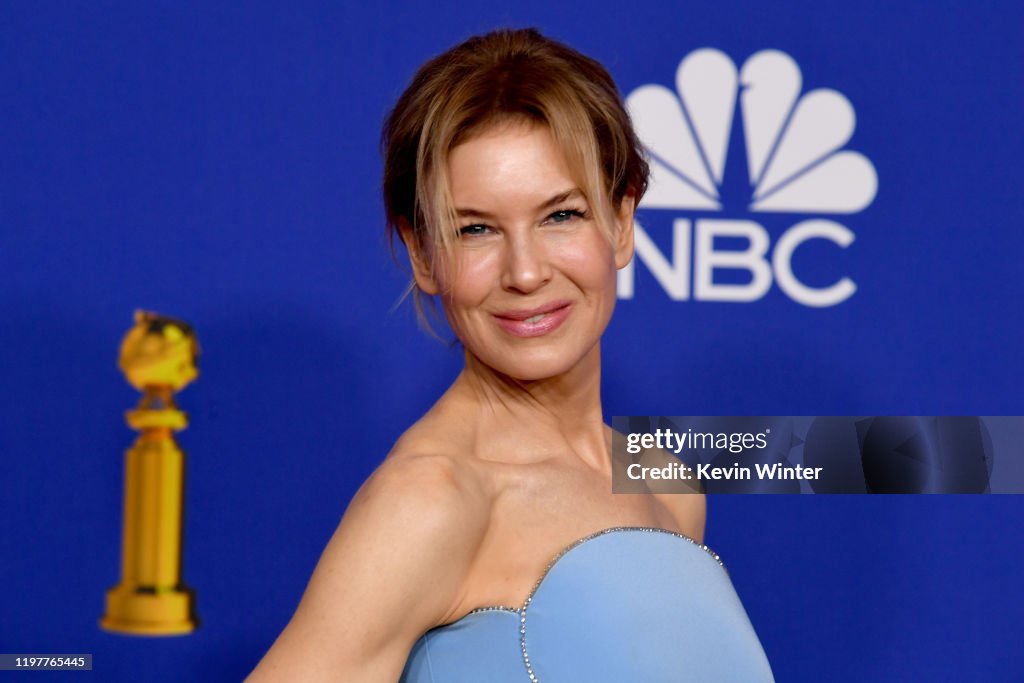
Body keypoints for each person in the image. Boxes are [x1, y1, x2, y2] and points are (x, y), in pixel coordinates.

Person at [247, 28, 773, 682]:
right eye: (476, 229)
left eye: (561, 216)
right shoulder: (432, 499)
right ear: (422, 253)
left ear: (621, 221)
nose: (525, 272)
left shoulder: (666, 481)